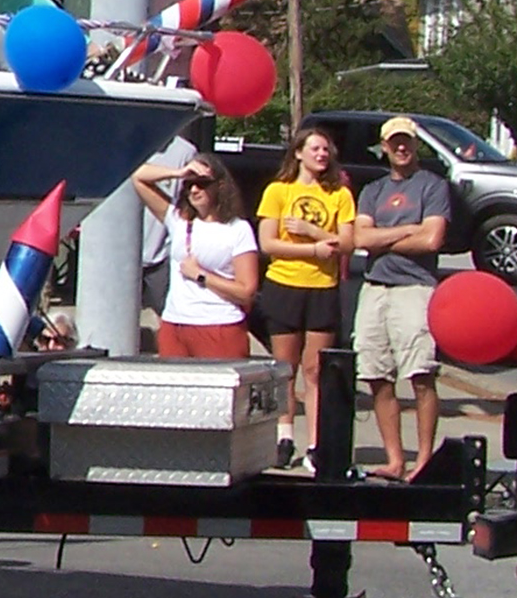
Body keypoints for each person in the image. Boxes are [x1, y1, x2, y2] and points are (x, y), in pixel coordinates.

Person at [352, 115, 452, 482]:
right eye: (394, 141)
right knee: (376, 375)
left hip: (415, 289)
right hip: (375, 288)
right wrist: (410, 228)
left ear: (415, 144)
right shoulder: (372, 190)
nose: (401, 147)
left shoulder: (432, 186)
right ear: (384, 147)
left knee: (421, 374)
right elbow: (361, 239)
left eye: (406, 140)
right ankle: (395, 459)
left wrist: (386, 235)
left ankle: (424, 459)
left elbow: (431, 240)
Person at [254, 122, 354, 469]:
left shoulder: (339, 194)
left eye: (326, 149)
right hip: (284, 286)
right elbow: (268, 243)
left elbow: (347, 243)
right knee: (286, 368)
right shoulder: (278, 191)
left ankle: (317, 443)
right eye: (314, 148)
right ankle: (284, 437)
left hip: (322, 289)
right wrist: (314, 250)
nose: (321, 154)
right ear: (298, 153)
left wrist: (312, 232)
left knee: (315, 369)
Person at [130, 154, 259, 357]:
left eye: (202, 183)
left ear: (220, 186)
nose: (194, 189)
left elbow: (247, 291)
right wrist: (178, 172)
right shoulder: (178, 220)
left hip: (218, 324)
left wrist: (201, 276)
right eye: (189, 184)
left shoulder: (237, 229)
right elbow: (138, 176)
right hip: (175, 323)